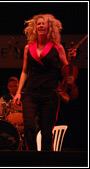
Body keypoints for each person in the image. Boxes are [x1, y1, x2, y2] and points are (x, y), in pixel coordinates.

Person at [13, 14, 76, 151]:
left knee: (46, 130)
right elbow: (24, 71)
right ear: (35, 28)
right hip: (31, 92)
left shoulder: (57, 47)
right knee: (29, 126)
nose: (40, 26)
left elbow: (67, 70)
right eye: (38, 24)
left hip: (50, 93)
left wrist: (71, 58)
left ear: (50, 28)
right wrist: (18, 92)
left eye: (43, 23)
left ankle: (46, 159)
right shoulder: (28, 48)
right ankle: (32, 157)